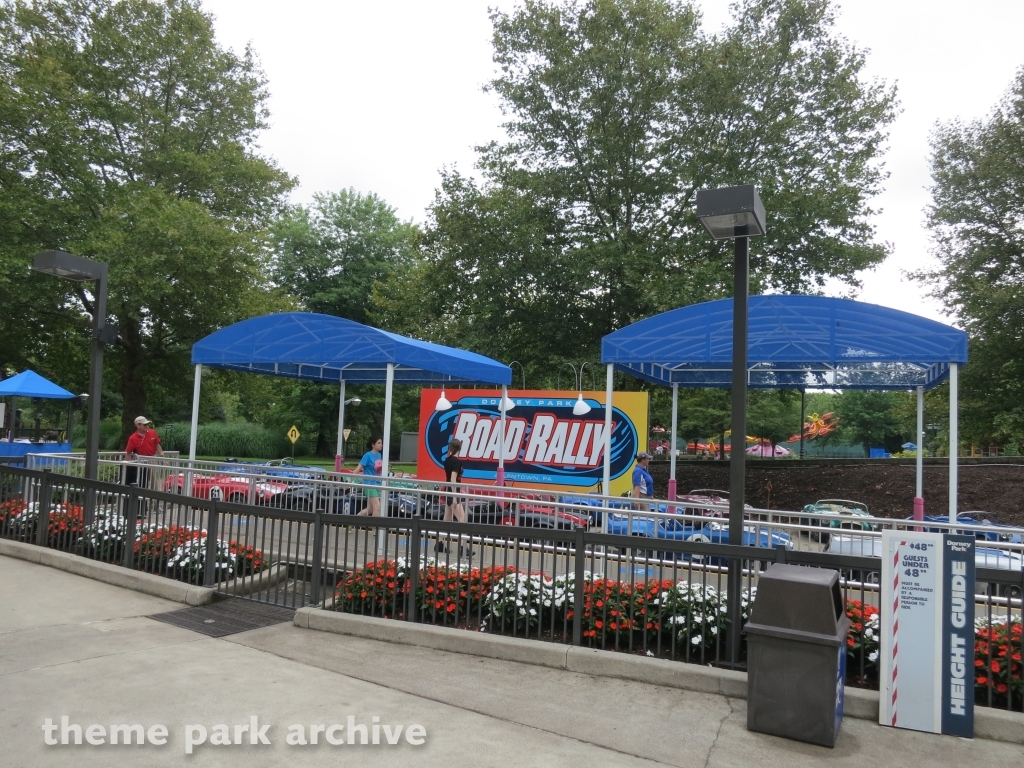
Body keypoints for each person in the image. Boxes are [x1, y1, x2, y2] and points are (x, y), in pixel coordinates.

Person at [437, 438, 465, 553]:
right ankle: (462, 548)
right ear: (459, 448)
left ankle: (439, 544)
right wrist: (454, 496)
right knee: (462, 519)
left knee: (447, 519)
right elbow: (453, 479)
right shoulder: (457, 462)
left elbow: (449, 478)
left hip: (448, 491)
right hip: (453, 492)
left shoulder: (447, 460)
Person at [123, 416, 162, 488]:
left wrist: (163, 457)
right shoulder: (133, 438)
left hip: (152, 459)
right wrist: (127, 466)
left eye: (147, 424)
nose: (147, 426)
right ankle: (142, 496)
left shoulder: (152, 432)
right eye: (144, 425)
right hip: (140, 460)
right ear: (138, 425)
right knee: (141, 480)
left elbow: (157, 445)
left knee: (154, 480)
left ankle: (155, 497)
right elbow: (128, 453)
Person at [356, 436, 383, 516]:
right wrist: (348, 482)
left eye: (381, 443)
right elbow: (357, 470)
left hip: (377, 484)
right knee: (377, 507)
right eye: (378, 443)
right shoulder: (367, 456)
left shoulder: (380, 455)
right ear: (373, 445)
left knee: (370, 509)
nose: (381, 445)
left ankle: (353, 523)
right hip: (369, 484)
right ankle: (375, 528)